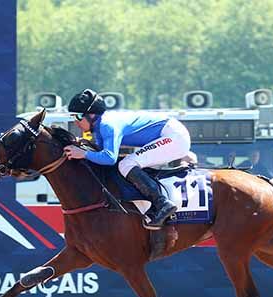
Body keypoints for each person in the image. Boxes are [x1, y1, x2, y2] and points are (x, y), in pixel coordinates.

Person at [65, 88, 191, 230]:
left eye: (78, 116)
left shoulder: (107, 125)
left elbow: (109, 158)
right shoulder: (99, 128)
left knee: (127, 163)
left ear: (92, 115)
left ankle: (162, 203)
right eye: (73, 117)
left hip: (174, 136)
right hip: (169, 134)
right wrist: (81, 146)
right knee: (127, 163)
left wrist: (83, 154)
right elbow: (99, 153)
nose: (75, 121)